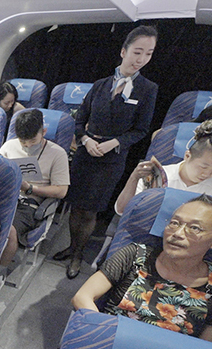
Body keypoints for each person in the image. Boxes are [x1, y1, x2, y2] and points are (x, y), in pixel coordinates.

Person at [54, 25, 159, 279]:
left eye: (148, 54)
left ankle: (78, 255)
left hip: (111, 159)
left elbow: (141, 130)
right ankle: (71, 247)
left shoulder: (147, 89)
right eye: (137, 52)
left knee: (90, 211)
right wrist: (85, 139)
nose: (141, 59)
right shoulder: (100, 85)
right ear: (123, 51)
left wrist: (114, 143)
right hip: (85, 154)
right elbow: (80, 119)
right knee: (75, 206)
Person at [71, 194, 212, 344]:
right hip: (106, 340)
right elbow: (82, 296)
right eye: (174, 223)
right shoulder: (135, 255)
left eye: (194, 228)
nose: (177, 233)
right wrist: (101, 332)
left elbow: (204, 348)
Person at [115, 120, 212, 215]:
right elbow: (122, 211)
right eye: (203, 166)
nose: (208, 174)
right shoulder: (157, 175)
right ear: (187, 156)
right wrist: (134, 178)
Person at [0, 109, 70, 264]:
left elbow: (61, 191)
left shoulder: (58, 154)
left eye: (32, 141)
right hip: (5, 196)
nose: (28, 145)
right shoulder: (9, 146)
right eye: (23, 142)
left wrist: (30, 188)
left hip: (29, 203)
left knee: (8, 231)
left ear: (43, 132)